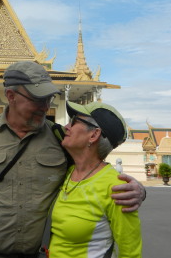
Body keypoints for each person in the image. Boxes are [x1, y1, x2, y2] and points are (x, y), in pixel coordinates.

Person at [0, 61, 146, 258]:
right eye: (38, 99)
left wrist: (139, 190)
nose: (46, 106)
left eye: (49, 98)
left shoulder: (59, 138)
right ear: (11, 96)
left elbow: (93, 169)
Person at [48, 101, 141, 258]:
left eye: (74, 121)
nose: (66, 127)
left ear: (94, 135)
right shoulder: (67, 172)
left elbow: (130, 252)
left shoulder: (116, 188)